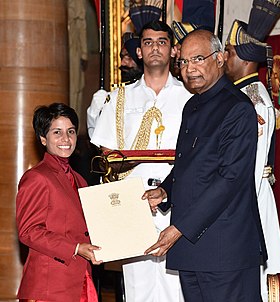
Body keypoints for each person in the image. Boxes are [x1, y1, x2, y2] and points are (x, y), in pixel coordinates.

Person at [143, 29, 267, 302]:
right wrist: (165, 191)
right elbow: (191, 165)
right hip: (193, 248)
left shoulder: (238, 108)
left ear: (221, 58)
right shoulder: (192, 106)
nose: (190, 69)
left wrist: (179, 228)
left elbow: (230, 179)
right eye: (184, 62)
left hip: (225, 249)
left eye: (198, 59)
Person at [91, 20, 192, 302]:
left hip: (179, 200)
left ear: (173, 50)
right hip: (134, 203)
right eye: (148, 42)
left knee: (178, 287)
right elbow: (107, 155)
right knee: (138, 289)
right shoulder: (120, 98)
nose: (155, 48)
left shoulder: (190, 97)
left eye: (162, 42)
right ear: (138, 52)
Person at [224, 1, 280, 301]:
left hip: (250, 197)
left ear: (245, 59)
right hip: (249, 196)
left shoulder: (253, 99)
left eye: (230, 52)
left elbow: (251, 161)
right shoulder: (243, 94)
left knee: (255, 281)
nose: (224, 58)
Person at [16, 103, 102, 302]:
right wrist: (75, 248)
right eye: (57, 132)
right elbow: (29, 231)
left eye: (71, 131)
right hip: (50, 286)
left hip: (81, 277)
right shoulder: (37, 177)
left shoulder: (79, 180)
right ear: (43, 139)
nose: (66, 139)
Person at [87, 33, 143, 139]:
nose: (123, 63)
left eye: (129, 57)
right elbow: (99, 138)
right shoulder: (114, 96)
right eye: (122, 57)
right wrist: (95, 113)